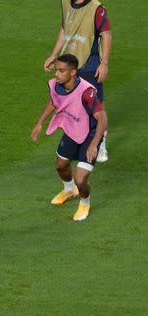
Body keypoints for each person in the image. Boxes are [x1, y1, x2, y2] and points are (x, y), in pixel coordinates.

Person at [43, 0, 112, 161]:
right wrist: (53, 55)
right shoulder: (65, 3)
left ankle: (102, 143)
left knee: (97, 106)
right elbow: (64, 30)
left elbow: (106, 35)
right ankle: (76, 137)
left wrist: (104, 63)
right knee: (72, 102)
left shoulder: (97, 8)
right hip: (70, 64)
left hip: (89, 64)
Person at [31, 54, 107, 221]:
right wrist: (40, 122)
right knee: (61, 166)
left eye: (61, 70)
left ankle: (85, 202)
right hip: (73, 129)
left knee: (81, 179)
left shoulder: (86, 92)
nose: (56, 74)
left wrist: (95, 144)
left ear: (73, 73)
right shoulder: (57, 86)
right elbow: (54, 101)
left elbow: (102, 117)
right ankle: (68, 189)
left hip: (90, 135)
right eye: (57, 69)